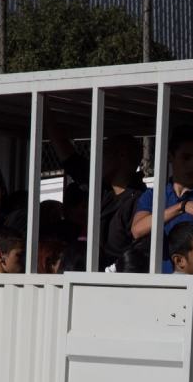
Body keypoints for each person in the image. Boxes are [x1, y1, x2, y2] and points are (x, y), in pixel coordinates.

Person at [46, 109, 146, 270]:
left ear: (121, 156)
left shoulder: (141, 201)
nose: (97, 158)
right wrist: (43, 108)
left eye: (104, 152)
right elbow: (68, 156)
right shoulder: (100, 188)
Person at [130, 125, 193, 273]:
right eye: (186, 157)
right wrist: (181, 207)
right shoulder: (153, 195)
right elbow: (137, 230)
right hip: (159, 281)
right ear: (170, 156)